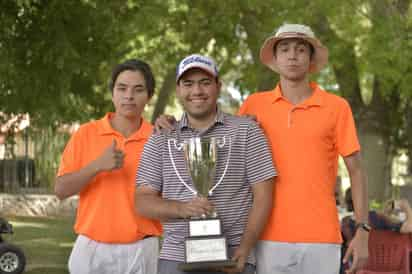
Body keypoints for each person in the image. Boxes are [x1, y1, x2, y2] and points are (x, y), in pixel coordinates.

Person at [154, 24, 369, 274]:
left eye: (300, 50)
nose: (292, 55)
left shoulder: (336, 107)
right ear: (275, 59)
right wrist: (173, 121)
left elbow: (356, 171)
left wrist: (363, 231)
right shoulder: (254, 105)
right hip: (266, 237)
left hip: (321, 237)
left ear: (310, 59)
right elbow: (217, 135)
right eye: (285, 49)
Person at [135, 54, 276, 274]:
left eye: (205, 83)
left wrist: (245, 248)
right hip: (176, 257)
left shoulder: (247, 131)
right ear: (179, 90)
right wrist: (183, 209)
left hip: (233, 256)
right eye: (188, 84)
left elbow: (264, 195)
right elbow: (143, 201)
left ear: (218, 87)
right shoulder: (161, 137)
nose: (197, 91)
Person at [54, 59, 162, 274]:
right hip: (92, 248)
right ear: (112, 93)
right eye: (122, 88)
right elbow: (61, 190)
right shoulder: (85, 134)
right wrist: (97, 166)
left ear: (149, 96)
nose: (128, 96)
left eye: (138, 89)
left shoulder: (159, 138)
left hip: (143, 247)